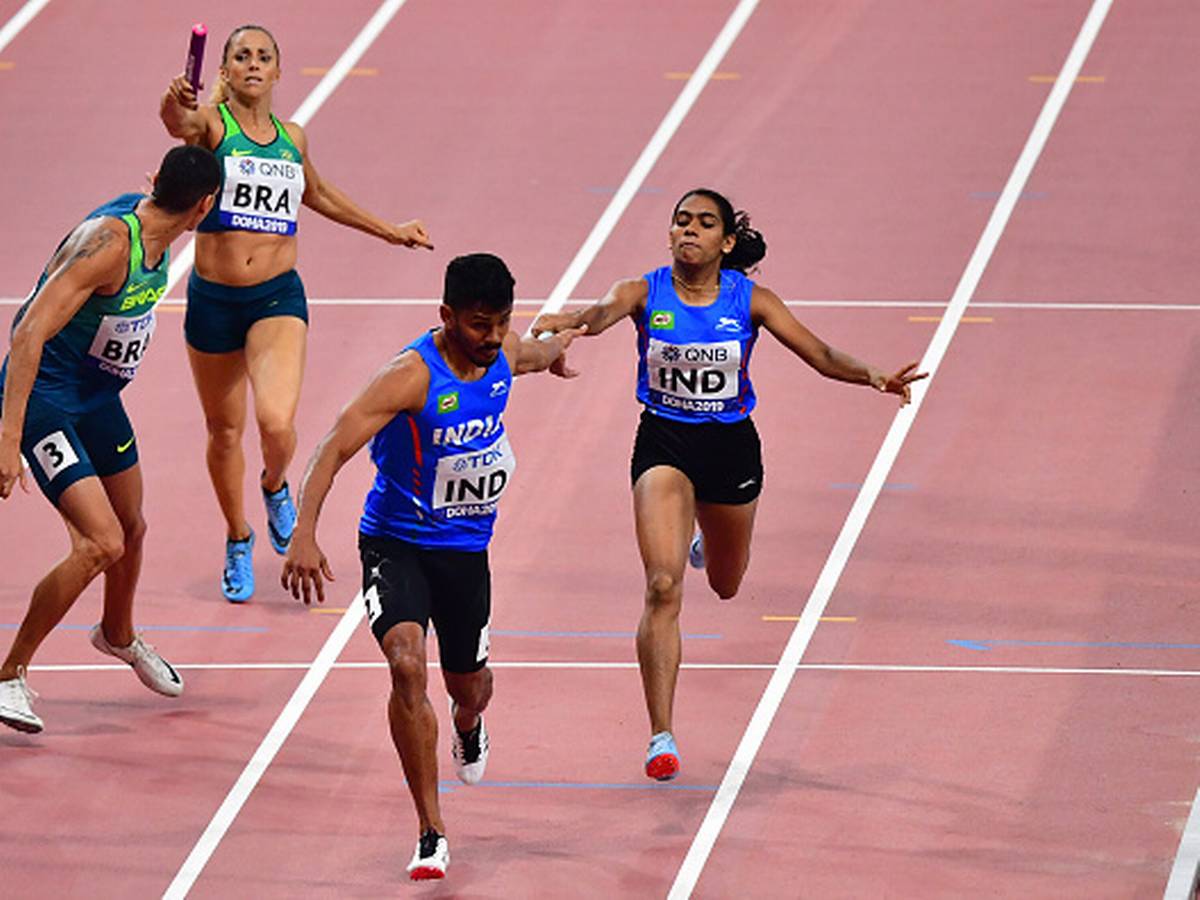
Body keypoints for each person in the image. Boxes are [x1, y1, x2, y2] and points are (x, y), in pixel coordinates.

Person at [532, 188, 927, 781]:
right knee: (663, 586)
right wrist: (564, 328)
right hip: (663, 442)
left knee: (725, 583)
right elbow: (598, 314)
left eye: (704, 223)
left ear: (727, 242)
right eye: (681, 221)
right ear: (670, 234)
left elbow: (818, 353)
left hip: (731, 449)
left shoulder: (752, 301)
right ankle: (660, 735)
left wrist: (874, 375)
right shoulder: (643, 292)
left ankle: (705, 542)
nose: (689, 230)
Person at [281, 253, 584, 880]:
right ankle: (430, 830)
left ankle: (468, 724)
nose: (492, 337)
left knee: (468, 688)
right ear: (446, 316)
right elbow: (333, 446)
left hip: (466, 554)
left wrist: (556, 348)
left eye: (501, 322)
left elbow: (532, 353)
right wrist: (304, 532)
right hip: (396, 544)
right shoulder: (409, 376)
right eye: (479, 325)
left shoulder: (501, 355)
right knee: (405, 664)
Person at [159, 24, 434, 603]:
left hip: (277, 297)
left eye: (263, 56)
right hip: (213, 300)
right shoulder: (213, 126)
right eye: (241, 57)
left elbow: (320, 194)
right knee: (224, 430)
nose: (253, 64)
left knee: (277, 424)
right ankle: (238, 535)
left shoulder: (293, 137)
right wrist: (175, 97)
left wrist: (390, 232)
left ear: (279, 72)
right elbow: (177, 123)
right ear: (226, 72)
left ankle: (275, 483)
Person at [0, 145, 222, 734]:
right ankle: (8, 674)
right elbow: (26, 334)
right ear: (203, 207)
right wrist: (8, 436)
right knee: (101, 544)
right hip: (48, 400)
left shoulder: (161, 227)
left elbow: (204, 148)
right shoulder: (110, 246)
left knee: (132, 527)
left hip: (97, 398)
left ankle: (117, 633)